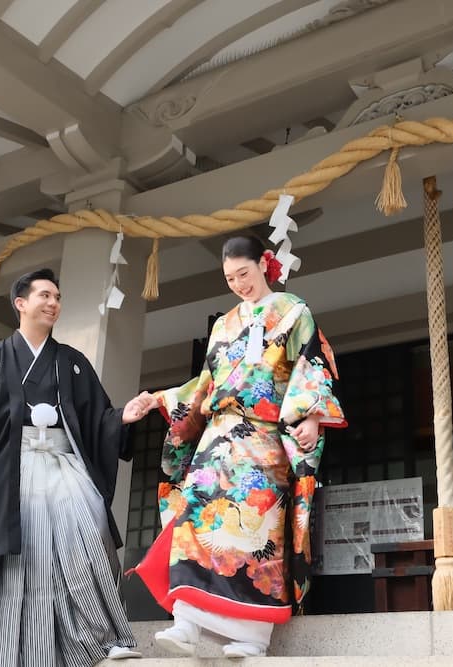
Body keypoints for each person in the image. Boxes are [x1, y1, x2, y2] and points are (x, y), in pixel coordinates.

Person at [128, 236, 346, 659]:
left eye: (243, 274)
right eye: (230, 278)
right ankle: (187, 621)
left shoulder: (293, 311)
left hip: (264, 440)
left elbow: (313, 367)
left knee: (257, 534)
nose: (238, 285)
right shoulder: (223, 325)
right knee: (196, 521)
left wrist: (313, 417)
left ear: (264, 265)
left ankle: (253, 636)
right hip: (218, 440)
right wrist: (160, 399)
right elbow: (205, 386)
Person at [0, 268, 150, 666]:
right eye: (44, 295)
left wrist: (122, 418)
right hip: (9, 474)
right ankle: (6, 650)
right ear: (21, 303)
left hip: (64, 468)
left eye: (58, 298)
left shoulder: (72, 362)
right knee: (15, 560)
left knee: (86, 545)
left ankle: (103, 639)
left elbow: (96, 418)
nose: (53, 303)